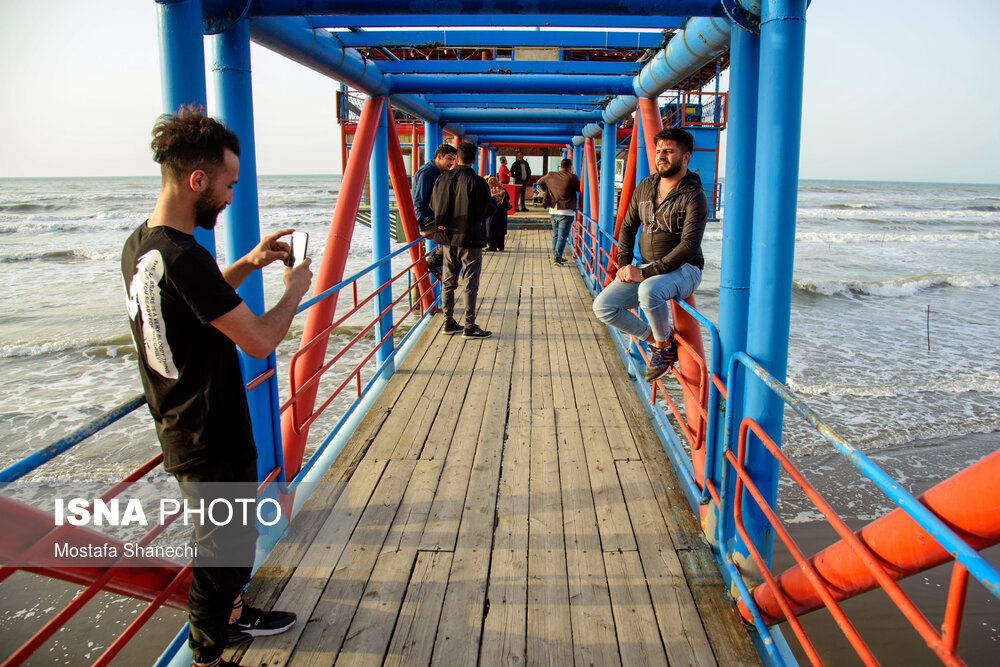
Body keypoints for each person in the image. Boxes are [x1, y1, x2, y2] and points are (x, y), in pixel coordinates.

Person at [121, 105, 312, 667]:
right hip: (207, 429)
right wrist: (295, 289)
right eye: (227, 184)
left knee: (229, 543)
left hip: (183, 421)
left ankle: (232, 616)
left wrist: (249, 263)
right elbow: (256, 340)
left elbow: (199, 303)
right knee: (220, 553)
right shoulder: (183, 255)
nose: (230, 197)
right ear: (196, 179)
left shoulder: (146, 244)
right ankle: (208, 653)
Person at [592, 128, 708, 383]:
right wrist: (624, 265)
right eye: (658, 151)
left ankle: (664, 347)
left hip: (686, 269)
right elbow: (628, 226)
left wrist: (644, 273)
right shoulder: (646, 186)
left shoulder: (694, 196)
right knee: (603, 306)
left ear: (686, 157)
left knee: (649, 291)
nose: (661, 156)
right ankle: (657, 340)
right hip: (646, 266)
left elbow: (689, 245)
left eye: (669, 151)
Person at [430, 142, 501, 339]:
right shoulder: (477, 182)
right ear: (474, 159)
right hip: (469, 238)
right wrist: (496, 200)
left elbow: (433, 205)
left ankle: (449, 321)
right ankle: (470, 326)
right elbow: (484, 212)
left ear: (457, 158)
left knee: (449, 280)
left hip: (446, 237)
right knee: (470, 282)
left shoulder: (441, 179)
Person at [410, 143, 458, 279]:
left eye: (453, 159)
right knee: (456, 236)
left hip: (435, 217)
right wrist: (421, 227)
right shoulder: (427, 172)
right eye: (449, 158)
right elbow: (418, 200)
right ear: (439, 157)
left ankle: (436, 262)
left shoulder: (436, 173)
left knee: (459, 232)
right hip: (429, 220)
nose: (451, 163)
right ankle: (434, 262)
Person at [536, 158, 580, 266]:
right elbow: (579, 188)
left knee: (556, 235)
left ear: (560, 166)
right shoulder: (572, 177)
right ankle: (557, 258)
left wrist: (547, 191)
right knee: (562, 236)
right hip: (566, 211)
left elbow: (539, 182)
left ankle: (557, 255)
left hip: (553, 210)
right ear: (570, 167)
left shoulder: (551, 175)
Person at [485, 175, 513, 252]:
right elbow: (508, 198)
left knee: (491, 230)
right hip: (502, 212)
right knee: (501, 230)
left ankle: (492, 246)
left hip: (492, 213)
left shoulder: (488, 190)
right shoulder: (503, 190)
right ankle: (501, 246)